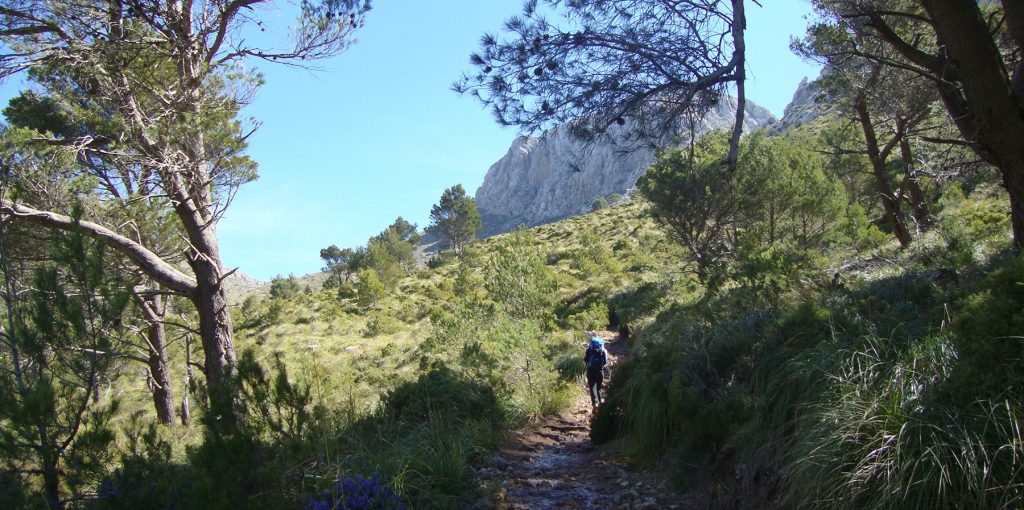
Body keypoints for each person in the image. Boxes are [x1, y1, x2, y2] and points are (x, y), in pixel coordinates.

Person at [583, 336, 608, 413]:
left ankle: (594, 405)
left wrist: (587, 366)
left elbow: (585, 361)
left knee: (592, 388)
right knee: (598, 389)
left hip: (590, 371)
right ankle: (599, 405)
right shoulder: (604, 351)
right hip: (599, 372)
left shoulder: (589, 350)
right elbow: (605, 362)